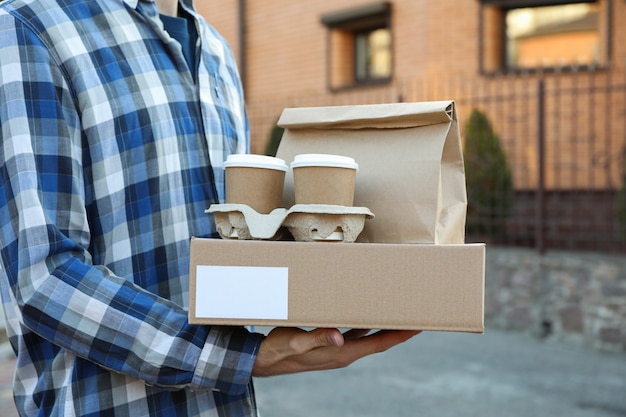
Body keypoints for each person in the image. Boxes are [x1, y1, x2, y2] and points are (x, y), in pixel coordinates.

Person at [0, 0, 419, 416]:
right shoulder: (28, 27)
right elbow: (44, 277)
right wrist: (243, 357)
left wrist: (325, 294)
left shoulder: (216, 50)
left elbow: (233, 246)